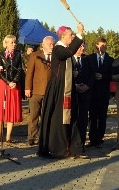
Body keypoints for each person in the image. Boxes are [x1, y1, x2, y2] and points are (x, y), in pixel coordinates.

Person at [38, 23, 87, 159]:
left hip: (69, 88)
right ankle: (57, 149)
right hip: (58, 89)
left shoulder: (65, 49)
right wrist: (79, 33)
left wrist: (73, 75)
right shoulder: (58, 48)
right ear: (63, 36)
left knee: (72, 118)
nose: (72, 37)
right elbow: (68, 53)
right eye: (70, 35)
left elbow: (67, 67)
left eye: (73, 35)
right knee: (58, 119)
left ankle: (75, 149)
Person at [0, 35, 24, 143]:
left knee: (11, 109)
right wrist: (8, 82)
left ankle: (8, 136)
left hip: (14, 85)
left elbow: (20, 69)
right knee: (0, 109)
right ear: (6, 43)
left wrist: (14, 81)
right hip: (3, 84)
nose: (14, 45)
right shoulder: (0, 54)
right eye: (11, 43)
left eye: (15, 42)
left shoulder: (18, 54)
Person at [25, 36, 54, 146]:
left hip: (49, 91)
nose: (52, 46)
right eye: (49, 44)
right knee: (34, 115)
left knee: (46, 115)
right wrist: (28, 88)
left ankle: (44, 136)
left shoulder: (55, 56)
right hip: (36, 91)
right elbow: (29, 73)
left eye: (53, 44)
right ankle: (31, 137)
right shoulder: (35, 55)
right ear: (43, 45)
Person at [86, 37, 114, 148]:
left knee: (102, 117)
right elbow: (87, 73)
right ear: (96, 45)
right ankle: (92, 139)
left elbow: (112, 75)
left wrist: (103, 76)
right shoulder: (90, 58)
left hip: (103, 92)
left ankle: (99, 138)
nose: (104, 47)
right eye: (101, 45)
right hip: (92, 92)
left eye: (105, 45)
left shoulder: (110, 60)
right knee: (92, 116)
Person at [73, 40, 94, 154]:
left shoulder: (87, 59)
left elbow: (92, 75)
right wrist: (75, 85)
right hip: (73, 93)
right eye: (80, 46)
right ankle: (73, 142)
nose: (82, 49)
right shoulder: (69, 59)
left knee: (83, 118)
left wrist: (87, 86)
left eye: (83, 46)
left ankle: (81, 142)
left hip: (85, 92)